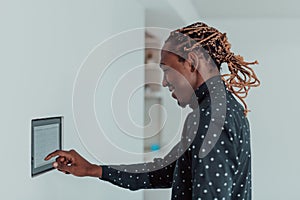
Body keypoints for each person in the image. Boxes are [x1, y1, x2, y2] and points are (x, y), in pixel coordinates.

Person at [45, 22, 260, 199]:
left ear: (191, 63)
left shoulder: (211, 117)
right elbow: (168, 172)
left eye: (167, 70)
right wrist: (93, 170)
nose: (165, 83)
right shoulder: (222, 108)